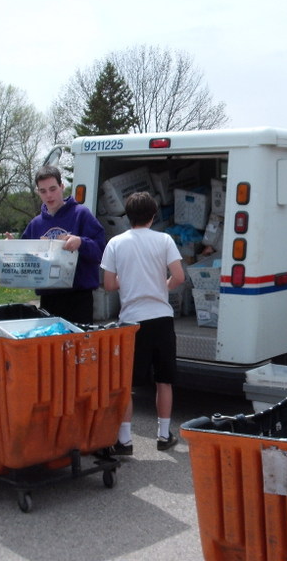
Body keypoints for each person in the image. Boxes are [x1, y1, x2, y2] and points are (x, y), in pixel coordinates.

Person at [99, 191, 186, 454]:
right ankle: (163, 434)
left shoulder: (115, 242)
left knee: (127, 383)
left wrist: (131, 281)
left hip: (132, 321)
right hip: (160, 317)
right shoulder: (164, 239)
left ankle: (125, 440)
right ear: (153, 216)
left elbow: (109, 285)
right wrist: (163, 285)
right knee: (164, 380)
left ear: (128, 216)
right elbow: (179, 277)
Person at [19, 166, 106, 324]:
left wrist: (81, 242)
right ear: (38, 192)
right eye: (43, 191)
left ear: (62, 187)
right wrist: (11, 247)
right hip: (48, 298)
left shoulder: (81, 214)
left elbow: (101, 251)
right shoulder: (35, 224)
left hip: (78, 298)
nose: (49, 195)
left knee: (79, 347)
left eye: (53, 189)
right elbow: (24, 260)